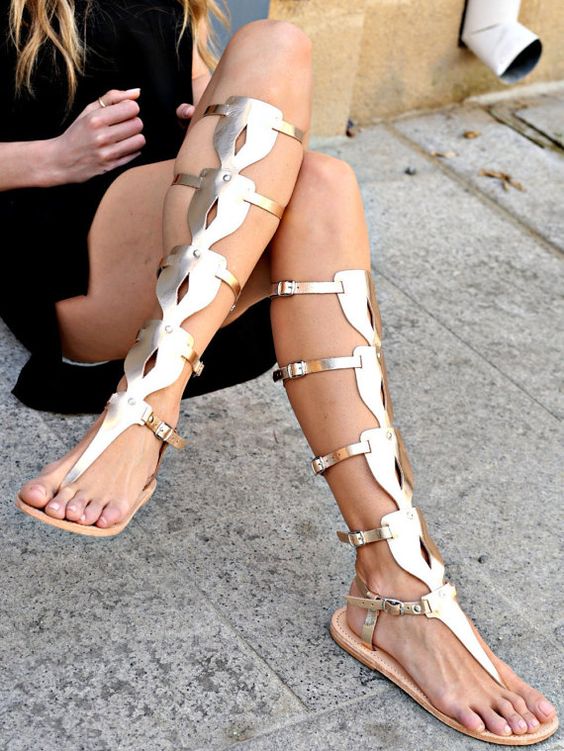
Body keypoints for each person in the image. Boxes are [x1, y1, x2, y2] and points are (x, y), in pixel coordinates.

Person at [1, 0, 558, 744]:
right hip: (66, 235)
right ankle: (398, 587)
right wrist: (49, 159)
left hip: (191, 222)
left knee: (283, 67)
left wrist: (214, 107)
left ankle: (390, 572)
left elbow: (192, 70)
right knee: (317, 173)